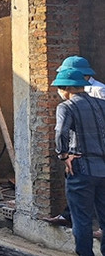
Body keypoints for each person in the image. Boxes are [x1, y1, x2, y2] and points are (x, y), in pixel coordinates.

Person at [43, 55, 105, 239]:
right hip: (91, 158)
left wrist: (62, 154)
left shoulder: (98, 92)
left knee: (82, 214)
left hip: (85, 157)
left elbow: (62, 132)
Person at [52, 68, 105, 256]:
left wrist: (63, 155)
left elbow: (61, 133)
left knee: (81, 219)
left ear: (65, 89)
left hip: (81, 168)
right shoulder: (102, 104)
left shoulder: (66, 106)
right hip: (103, 168)